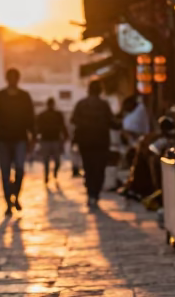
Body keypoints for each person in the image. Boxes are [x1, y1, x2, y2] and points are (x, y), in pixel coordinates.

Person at [0, 68, 35, 215]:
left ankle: (15, 195)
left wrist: (33, 137)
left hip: (20, 138)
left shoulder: (24, 97)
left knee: (20, 169)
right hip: (3, 139)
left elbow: (31, 119)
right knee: (5, 172)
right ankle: (8, 202)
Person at [71, 79, 117, 211]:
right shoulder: (104, 105)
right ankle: (95, 194)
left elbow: (73, 120)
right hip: (101, 141)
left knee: (88, 167)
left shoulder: (81, 104)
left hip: (85, 141)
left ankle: (90, 193)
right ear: (100, 90)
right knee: (99, 169)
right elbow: (112, 122)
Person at [35, 98, 69, 185]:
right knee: (47, 160)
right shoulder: (43, 115)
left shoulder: (57, 115)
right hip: (47, 139)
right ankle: (47, 175)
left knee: (55, 160)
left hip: (54, 139)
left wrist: (65, 135)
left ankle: (53, 173)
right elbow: (37, 127)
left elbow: (62, 126)